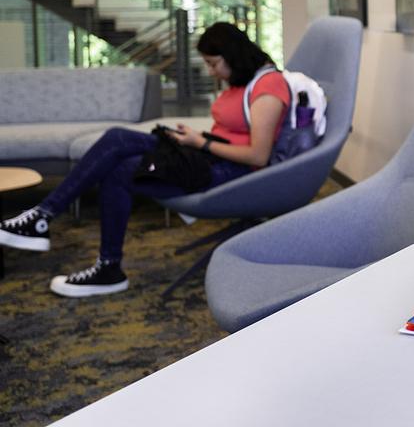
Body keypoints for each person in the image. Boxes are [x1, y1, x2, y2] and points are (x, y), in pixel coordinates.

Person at [0, 22, 290, 297]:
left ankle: (44, 218)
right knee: (119, 162)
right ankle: (107, 267)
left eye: (214, 64)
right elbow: (230, 133)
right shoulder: (243, 82)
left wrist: (200, 142)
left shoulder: (269, 85)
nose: (212, 71)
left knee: (118, 142)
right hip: (205, 156)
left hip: (230, 172)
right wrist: (195, 139)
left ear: (233, 56)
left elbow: (258, 155)